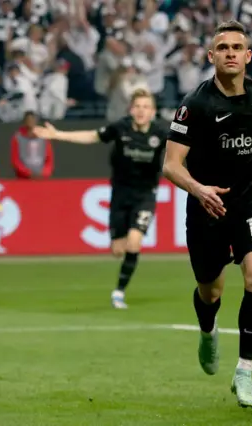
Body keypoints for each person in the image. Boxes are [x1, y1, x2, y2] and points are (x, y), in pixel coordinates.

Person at [162, 20, 252, 408]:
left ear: (248, 56)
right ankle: (207, 329)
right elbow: (171, 164)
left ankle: (245, 371)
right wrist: (198, 189)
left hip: (249, 200)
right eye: (223, 47)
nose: (230, 52)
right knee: (210, 290)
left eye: (237, 47)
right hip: (207, 206)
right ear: (211, 56)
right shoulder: (195, 105)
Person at [32, 89, 168, 309]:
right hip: (120, 195)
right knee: (118, 249)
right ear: (131, 109)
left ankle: (119, 292)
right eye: (138, 106)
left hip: (145, 195)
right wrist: (58, 135)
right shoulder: (120, 128)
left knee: (135, 241)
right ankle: (120, 272)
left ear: (153, 112)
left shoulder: (160, 134)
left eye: (146, 107)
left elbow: (184, 149)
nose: (141, 111)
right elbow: (92, 136)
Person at [11, 111, 54, 179]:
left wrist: (44, 173)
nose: (30, 122)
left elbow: (49, 159)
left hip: (41, 178)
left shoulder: (44, 137)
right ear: (24, 122)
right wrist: (28, 173)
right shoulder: (17, 138)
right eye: (28, 120)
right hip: (23, 179)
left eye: (32, 119)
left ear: (36, 121)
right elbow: (15, 160)